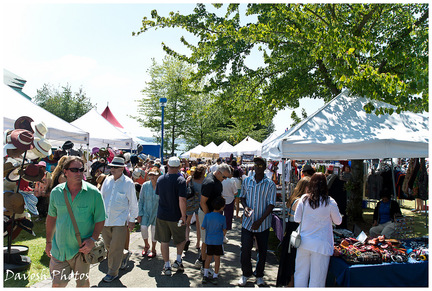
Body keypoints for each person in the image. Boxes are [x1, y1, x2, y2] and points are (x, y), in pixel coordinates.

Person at [45, 156, 106, 287]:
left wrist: (93, 240)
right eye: (74, 170)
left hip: (81, 251)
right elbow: (51, 217)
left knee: (82, 284)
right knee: (57, 285)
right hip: (59, 249)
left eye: (81, 169)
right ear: (65, 171)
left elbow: (100, 219)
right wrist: (48, 242)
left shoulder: (94, 193)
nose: (79, 173)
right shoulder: (56, 192)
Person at [294, 172, 342, 287]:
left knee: (300, 275)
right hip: (321, 245)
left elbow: (297, 219)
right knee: (317, 279)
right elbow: (338, 221)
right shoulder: (330, 202)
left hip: (304, 243)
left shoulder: (304, 199)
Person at [238, 157, 276, 287]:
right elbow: (242, 197)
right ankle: (245, 273)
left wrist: (260, 220)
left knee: (262, 251)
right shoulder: (247, 181)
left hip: (263, 224)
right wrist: (245, 206)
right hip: (248, 222)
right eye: (256, 165)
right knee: (245, 249)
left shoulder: (270, 184)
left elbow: (271, 205)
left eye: (260, 165)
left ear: (265, 167)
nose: (257, 167)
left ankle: (259, 275)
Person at [100, 156, 139, 283]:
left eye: (115, 167)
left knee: (115, 248)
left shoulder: (128, 183)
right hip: (105, 220)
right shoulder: (107, 180)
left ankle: (112, 272)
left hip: (120, 221)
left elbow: (133, 203)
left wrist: (132, 220)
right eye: (111, 167)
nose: (112, 169)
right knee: (109, 247)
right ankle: (124, 254)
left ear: (122, 168)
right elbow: (101, 198)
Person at [196, 163, 232, 273]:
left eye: (226, 177)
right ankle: (203, 265)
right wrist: (209, 218)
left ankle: (200, 260)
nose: (225, 179)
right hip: (206, 214)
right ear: (218, 172)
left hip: (212, 214)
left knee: (209, 239)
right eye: (224, 177)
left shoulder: (217, 180)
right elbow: (203, 203)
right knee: (206, 240)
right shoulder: (209, 182)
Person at [154, 156, 187, 276]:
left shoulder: (160, 179)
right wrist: (183, 216)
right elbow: (182, 199)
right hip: (176, 216)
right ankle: (178, 260)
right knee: (181, 239)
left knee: (164, 241)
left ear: (168, 165)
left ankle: (167, 265)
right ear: (179, 167)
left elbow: (158, 195)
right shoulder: (180, 180)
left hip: (162, 215)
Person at [276, 176, 311, 287]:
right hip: (295, 235)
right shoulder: (299, 201)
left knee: (291, 263)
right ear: (306, 188)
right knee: (292, 264)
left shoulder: (295, 198)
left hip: (292, 234)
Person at [201, 196, 227, 285]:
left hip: (209, 240)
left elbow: (202, 227)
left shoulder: (207, 216)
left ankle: (205, 275)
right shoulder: (222, 218)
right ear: (222, 207)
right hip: (218, 241)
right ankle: (215, 275)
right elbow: (224, 229)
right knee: (217, 259)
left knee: (208, 258)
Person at [137, 167, 161, 258]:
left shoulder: (161, 186)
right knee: (143, 228)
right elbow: (141, 200)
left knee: (154, 231)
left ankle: (153, 249)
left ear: (158, 175)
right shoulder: (145, 185)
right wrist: (139, 213)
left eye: (154, 175)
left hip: (157, 212)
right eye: (150, 174)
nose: (152, 176)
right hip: (145, 211)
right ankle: (146, 245)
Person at [185, 164, 206, 251]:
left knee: (187, 222)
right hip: (200, 203)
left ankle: (186, 239)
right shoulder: (204, 181)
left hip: (190, 202)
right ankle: (198, 243)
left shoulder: (190, 179)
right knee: (198, 224)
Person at [221, 167, 237, 242]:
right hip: (230, 200)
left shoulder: (221, 180)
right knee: (227, 219)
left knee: (220, 218)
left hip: (221, 200)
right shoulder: (232, 181)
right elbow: (235, 192)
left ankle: (220, 235)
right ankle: (223, 236)